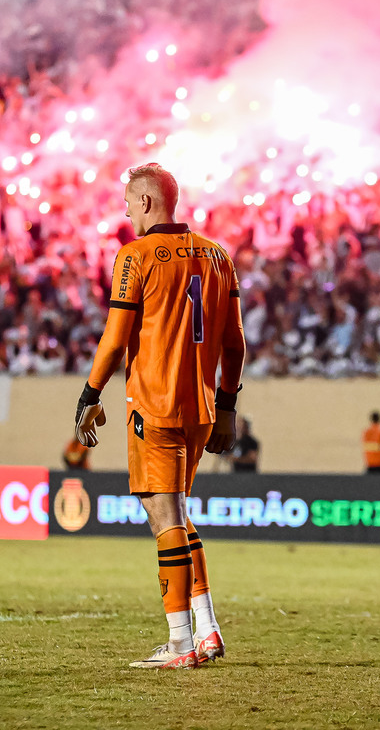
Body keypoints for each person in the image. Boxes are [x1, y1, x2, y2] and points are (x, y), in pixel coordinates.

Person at [72, 163, 245, 669]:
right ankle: (208, 629)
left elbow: (116, 337)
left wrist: (89, 392)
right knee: (182, 516)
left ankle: (179, 643)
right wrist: (228, 405)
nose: (125, 210)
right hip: (201, 411)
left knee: (164, 518)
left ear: (147, 202)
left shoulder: (136, 256)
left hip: (154, 406)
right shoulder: (218, 256)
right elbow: (235, 344)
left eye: (129, 201)